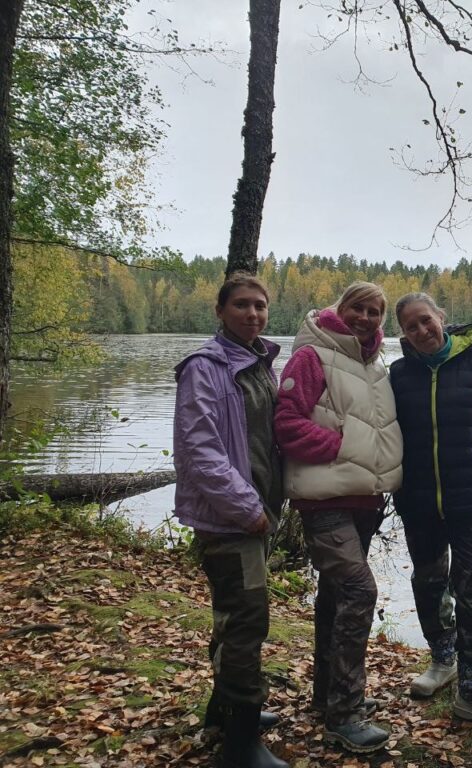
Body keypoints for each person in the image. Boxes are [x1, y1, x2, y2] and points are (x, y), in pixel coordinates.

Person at [274, 281, 402, 754]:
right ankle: (344, 714)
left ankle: (327, 696)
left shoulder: (372, 364)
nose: (365, 318)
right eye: (358, 308)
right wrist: (344, 448)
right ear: (339, 308)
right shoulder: (312, 357)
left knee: (333, 596)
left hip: (363, 502)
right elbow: (288, 424)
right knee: (358, 589)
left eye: (374, 311)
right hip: (324, 501)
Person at [389, 292, 472, 730]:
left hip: (470, 501)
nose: (422, 331)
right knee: (428, 583)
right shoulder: (398, 374)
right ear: (402, 333)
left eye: (426, 320)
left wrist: (470, 461)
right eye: (411, 326)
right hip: (419, 502)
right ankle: (442, 661)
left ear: (441, 318)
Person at [172, 272, 288, 768]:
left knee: (231, 617)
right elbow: (200, 450)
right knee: (246, 623)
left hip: (259, 513)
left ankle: (221, 712)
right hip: (231, 520)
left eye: (260, 306)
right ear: (220, 311)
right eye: (242, 305)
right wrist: (248, 511)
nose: (253, 314)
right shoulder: (205, 367)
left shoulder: (261, 363)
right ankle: (241, 745)